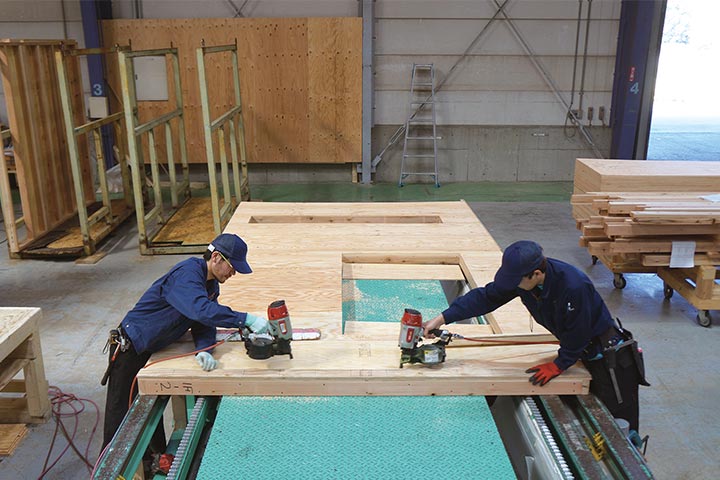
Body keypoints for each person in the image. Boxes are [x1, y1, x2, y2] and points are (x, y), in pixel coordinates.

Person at [423, 240, 650, 441]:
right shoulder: (524, 282)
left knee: (620, 429)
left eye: (516, 281)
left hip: (609, 359)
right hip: (579, 350)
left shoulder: (573, 286)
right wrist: (443, 317)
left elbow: (578, 333)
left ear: (537, 274)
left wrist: (559, 364)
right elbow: (487, 297)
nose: (513, 286)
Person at [101, 233, 270, 450]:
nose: (233, 273)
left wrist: (204, 349)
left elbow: (203, 321)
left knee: (149, 421)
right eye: (232, 267)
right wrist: (245, 319)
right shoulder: (187, 274)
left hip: (151, 349)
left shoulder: (210, 285)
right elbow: (201, 309)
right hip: (130, 349)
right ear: (216, 258)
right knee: (119, 424)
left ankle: (155, 459)